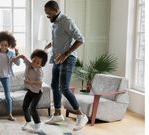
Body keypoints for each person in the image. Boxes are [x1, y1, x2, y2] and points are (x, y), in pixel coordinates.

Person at [43, 1, 88, 131]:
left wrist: (66, 54)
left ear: (56, 10)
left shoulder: (66, 21)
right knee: (54, 85)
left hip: (68, 58)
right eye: (46, 14)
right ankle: (57, 114)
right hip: (57, 58)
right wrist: (48, 46)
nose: (47, 16)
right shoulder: (56, 22)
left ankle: (81, 115)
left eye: (49, 14)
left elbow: (80, 39)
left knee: (64, 88)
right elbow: (60, 38)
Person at [11, 49, 48, 133]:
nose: (35, 63)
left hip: (37, 92)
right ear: (32, 58)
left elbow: (40, 83)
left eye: (38, 63)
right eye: (34, 60)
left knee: (32, 108)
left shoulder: (39, 71)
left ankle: (38, 124)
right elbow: (22, 56)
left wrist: (30, 82)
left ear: (41, 64)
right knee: (24, 107)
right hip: (30, 90)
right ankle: (28, 121)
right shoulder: (28, 63)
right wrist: (15, 59)